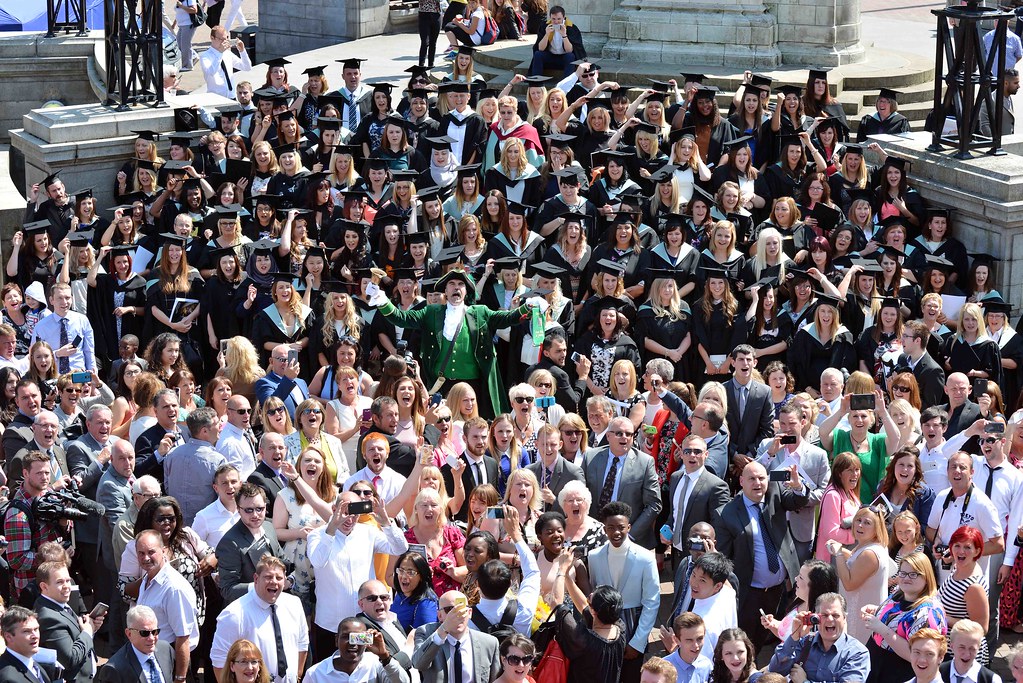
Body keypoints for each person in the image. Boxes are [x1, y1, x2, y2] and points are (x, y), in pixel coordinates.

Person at [370, 267, 537, 417]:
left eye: (460, 284)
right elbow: (401, 318)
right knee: (441, 426)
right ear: (445, 290)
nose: (456, 287)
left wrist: (528, 307)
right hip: (441, 385)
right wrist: (382, 300)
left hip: (473, 386)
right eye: (452, 284)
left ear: (466, 291)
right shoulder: (431, 312)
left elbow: (508, 318)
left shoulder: (480, 312)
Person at [714, 460, 810, 653]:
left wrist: (798, 486)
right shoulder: (726, 514)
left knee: (774, 634)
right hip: (750, 593)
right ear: (741, 481)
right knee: (747, 639)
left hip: (780, 589)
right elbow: (724, 557)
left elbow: (797, 501)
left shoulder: (775, 493)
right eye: (751, 479)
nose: (757, 483)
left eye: (761, 478)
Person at [306, 487, 408, 659]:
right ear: (334, 509)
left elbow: (400, 548)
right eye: (345, 512)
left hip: (364, 624)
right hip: (330, 626)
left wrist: (386, 522)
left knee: (363, 666)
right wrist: (331, 528)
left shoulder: (368, 532)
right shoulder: (317, 535)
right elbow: (318, 561)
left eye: (355, 513)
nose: (350, 519)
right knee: (329, 669)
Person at [586, 501, 660, 683]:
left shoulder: (646, 558)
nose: (616, 532)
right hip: (603, 630)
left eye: (621, 527)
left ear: (629, 527)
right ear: (604, 529)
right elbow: (595, 595)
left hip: (633, 627)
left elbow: (651, 602)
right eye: (611, 528)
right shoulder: (594, 556)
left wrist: (638, 642)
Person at [209, 556, 309, 683]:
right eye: (268, 577)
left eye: (279, 578)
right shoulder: (234, 614)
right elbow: (219, 661)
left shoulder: (294, 604)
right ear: (256, 579)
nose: (274, 582)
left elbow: (302, 644)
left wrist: (297, 676)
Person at [761, 402, 831, 562]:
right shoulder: (767, 446)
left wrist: (800, 493)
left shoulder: (818, 455)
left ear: (803, 422)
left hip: (801, 527)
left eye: (792, 423)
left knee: (800, 572)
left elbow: (823, 493)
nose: (786, 429)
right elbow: (753, 474)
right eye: (783, 423)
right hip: (771, 522)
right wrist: (770, 454)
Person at [862, 551, 947, 683]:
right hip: (875, 664)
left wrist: (881, 628)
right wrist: (877, 610)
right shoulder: (899, 592)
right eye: (903, 573)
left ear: (926, 577)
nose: (906, 578)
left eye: (913, 574)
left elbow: (915, 654)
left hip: (897, 671)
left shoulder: (928, 612)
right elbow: (897, 616)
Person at [581, 416, 661, 549]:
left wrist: (630, 534)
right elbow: (581, 493)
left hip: (630, 539)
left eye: (629, 434)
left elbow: (654, 504)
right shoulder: (591, 457)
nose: (624, 437)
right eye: (619, 433)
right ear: (608, 436)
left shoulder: (645, 462)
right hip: (594, 534)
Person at [134, 529, 198, 683]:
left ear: (163, 551)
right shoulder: (148, 578)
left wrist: (180, 678)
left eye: (151, 552)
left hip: (170, 661)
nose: (146, 558)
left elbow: (183, 637)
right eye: (141, 553)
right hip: (152, 658)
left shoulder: (174, 588)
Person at [548, 561, 626, 683]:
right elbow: (584, 606)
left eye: (591, 597)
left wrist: (561, 570)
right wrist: (567, 577)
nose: (590, 594)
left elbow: (556, 603)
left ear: (594, 611)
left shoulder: (582, 639)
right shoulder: (619, 628)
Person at [768, 592, 871, 683]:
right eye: (824, 615)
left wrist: (804, 682)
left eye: (835, 615)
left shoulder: (857, 653)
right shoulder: (804, 642)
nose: (830, 619)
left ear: (844, 618)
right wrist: (794, 636)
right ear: (815, 619)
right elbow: (775, 671)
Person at [826, 506, 892, 643]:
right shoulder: (869, 545)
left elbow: (849, 584)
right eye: (858, 520)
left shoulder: (869, 553)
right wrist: (842, 550)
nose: (860, 525)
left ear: (877, 528)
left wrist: (839, 554)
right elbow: (856, 560)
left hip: (861, 620)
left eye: (867, 523)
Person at [4, 451, 63, 602]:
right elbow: (17, 559)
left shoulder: (49, 496)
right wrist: (53, 558)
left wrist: (64, 525)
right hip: (31, 589)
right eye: (39, 473)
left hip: (53, 583)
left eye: (47, 473)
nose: (44, 477)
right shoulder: (17, 513)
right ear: (25, 473)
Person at [663, 435, 729, 568]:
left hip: (701, 557)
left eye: (697, 451)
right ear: (681, 454)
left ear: (706, 454)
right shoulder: (675, 478)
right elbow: (674, 512)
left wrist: (712, 559)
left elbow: (720, 528)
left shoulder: (716, 486)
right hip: (677, 554)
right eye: (687, 451)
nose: (692, 455)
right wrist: (667, 528)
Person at [216, 482, 287, 603]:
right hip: (247, 606)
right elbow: (227, 589)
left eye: (259, 509)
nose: (255, 515)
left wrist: (290, 578)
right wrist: (260, 586)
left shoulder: (269, 527)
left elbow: (282, 559)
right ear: (238, 510)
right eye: (248, 510)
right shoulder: (229, 543)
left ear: (265, 507)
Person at [410, 589, 501, 683]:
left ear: (469, 613)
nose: (457, 615)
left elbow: (496, 680)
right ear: (440, 615)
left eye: (461, 609)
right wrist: (444, 629)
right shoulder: (426, 632)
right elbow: (418, 664)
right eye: (449, 610)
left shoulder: (489, 643)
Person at [34, 561, 103, 683]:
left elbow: (74, 636)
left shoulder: (59, 602)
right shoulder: (49, 618)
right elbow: (70, 659)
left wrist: (91, 627)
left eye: (68, 580)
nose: (67, 586)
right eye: (60, 582)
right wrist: (87, 632)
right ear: (44, 587)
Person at [164, 407, 227, 525]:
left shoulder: (172, 455)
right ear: (204, 431)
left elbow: (167, 488)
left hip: (176, 526)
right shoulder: (218, 461)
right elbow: (225, 496)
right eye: (217, 424)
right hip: (206, 526)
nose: (220, 426)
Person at [305, 618, 410, 683]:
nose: (353, 643)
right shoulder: (315, 674)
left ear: (367, 640)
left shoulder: (376, 663)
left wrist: (385, 657)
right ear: (337, 640)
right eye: (347, 637)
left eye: (358, 638)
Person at [96, 605, 175, 683]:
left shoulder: (166, 650)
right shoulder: (114, 669)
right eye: (144, 633)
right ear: (129, 634)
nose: (151, 638)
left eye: (155, 631)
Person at [725, 345, 774, 469]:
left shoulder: (765, 392)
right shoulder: (721, 390)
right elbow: (716, 428)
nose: (745, 363)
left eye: (748, 359)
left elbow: (767, 429)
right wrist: (734, 455)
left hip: (753, 460)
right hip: (726, 459)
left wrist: (748, 455)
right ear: (733, 362)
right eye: (741, 359)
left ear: (755, 363)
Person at [29, 283, 95, 373]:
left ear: (72, 299)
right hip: (53, 375)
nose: (64, 302)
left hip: (79, 374)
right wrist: (57, 354)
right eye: (59, 298)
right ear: (51, 300)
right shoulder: (41, 326)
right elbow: (34, 356)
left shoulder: (82, 320)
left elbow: (89, 351)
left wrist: (92, 372)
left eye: (67, 298)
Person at [354, 580, 414, 673]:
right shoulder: (358, 631)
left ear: (390, 600)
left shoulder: (393, 618)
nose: (379, 602)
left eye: (383, 597)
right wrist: (410, 647)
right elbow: (387, 667)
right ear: (361, 604)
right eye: (372, 598)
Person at [0, 606, 56, 683]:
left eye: (36, 629)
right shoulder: (7, 678)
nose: (35, 636)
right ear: (8, 637)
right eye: (26, 631)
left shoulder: (32, 663)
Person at [529, 7, 586, 76]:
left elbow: (569, 50)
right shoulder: (545, 26)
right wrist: (547, 34)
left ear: (563, 18)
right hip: (550, 56)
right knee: (538, 54)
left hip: (564, 58)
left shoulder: (571, 28)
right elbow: (540, 48)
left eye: (559, 19)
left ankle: (567, 81)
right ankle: (536, 80)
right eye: (553, 19)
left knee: (570, 56)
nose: (556, 22)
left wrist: (564, 35)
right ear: (550, 17)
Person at [657, 612, 711, 683]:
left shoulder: (706, 665)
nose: (696, 645)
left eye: (699, 639)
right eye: (689, 640)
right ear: (677, 640)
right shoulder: (662, 669)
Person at [201, 26, 253, 100]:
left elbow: (247, 67)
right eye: (221, 39)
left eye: (226, 38)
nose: (224, 42)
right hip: (216, 98)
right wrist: (219, 53)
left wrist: (242, 51)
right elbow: (210, 72)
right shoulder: (205, 56)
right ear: (212, 38)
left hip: (231, 96)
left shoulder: (227, 53)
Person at [216, 395, 258, 479]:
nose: (246, 415)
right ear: (228, 412)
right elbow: (235, 480)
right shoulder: (230, 444)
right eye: (241, 411)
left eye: (249, 411)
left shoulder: (241, 432)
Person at [979, 69, 1019, 138]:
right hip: (998, 143)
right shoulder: (991, 99)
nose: (1018, 86)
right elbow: (984, 125)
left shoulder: (1008, 97)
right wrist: (994, 142)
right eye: (1015, 83)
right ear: (1006, 83)